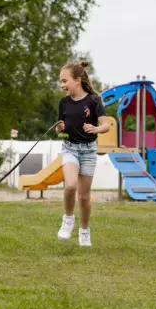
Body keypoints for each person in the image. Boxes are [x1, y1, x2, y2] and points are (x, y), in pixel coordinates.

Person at [55, 61, 113, 247]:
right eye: (61, 82)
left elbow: (106, 125)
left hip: (88, 151)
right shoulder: (63, 102)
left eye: (65, 81)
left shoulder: (94, 100)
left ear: (77, 80)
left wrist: (96, 128)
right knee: (70, 186)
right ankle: (68, 219)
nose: (62, 85)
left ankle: (85, 231)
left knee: (84, 196)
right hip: (70, 148)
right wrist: (60, 128)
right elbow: (58, 130)